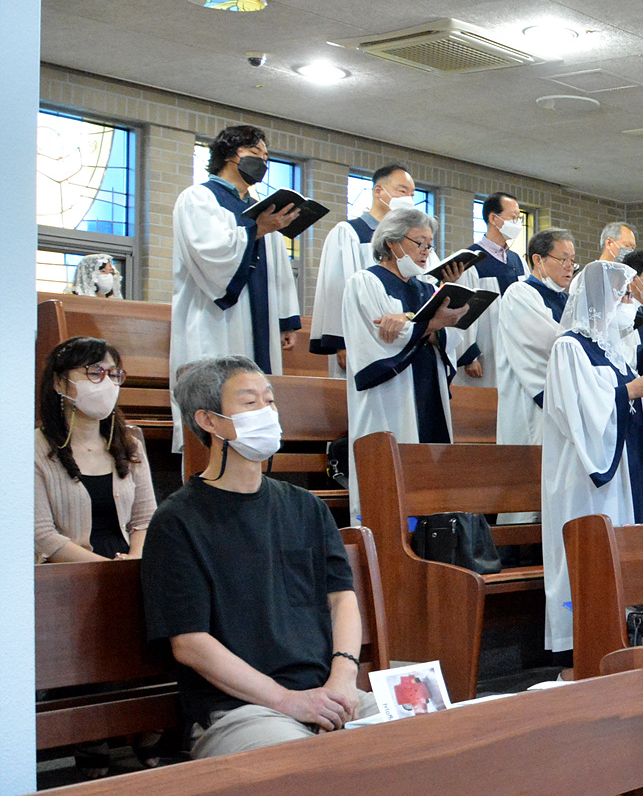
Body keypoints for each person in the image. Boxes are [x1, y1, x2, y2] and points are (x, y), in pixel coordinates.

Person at [145, 356, 375, 758]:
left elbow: (341, 599)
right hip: (241, 709)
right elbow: (190, 643)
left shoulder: (306, 507)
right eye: (250, 403)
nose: (267, 412)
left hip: (327, 692)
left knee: (428, 736)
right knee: (308, 765)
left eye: (270, 401)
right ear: (209, 421)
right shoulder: (177, 521)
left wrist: (342, 679)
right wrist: (289, 701)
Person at [540, 261, 643, 661]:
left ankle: (627, 639)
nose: (631, 304)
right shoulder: (569, 347)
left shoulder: (615, 352)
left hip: (626, 472)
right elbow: (578, 411)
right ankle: (580, 646)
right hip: (588, 475)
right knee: (592, 557)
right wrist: (629, 391)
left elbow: (632, 408)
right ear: (601, 300)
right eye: (624, 295)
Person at [167, 124, 303, 450]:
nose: (262, 162)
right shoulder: (199, 198)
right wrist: (257, 229)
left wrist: (284, 320)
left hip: (259, 322)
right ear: (229, 155)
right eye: (255, 153)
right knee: (214, 399)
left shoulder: (262, 209)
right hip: (213, 318)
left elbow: (278, 268)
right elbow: (210, 254)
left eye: (266, 157)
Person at [341, 207, 465, 519]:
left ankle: (429, 536)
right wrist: (429, 325)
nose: (426, 252)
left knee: (429, 487)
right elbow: (380, 337)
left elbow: (449, 337)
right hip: (388, 397)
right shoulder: (366, 282)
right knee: (388, 485)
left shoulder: (427, 289)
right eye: (419, 243)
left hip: (428, 389)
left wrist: (423, 324)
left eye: (430, 245)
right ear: (392, 242)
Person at [35, 337, 155, 562]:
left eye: (113, 374)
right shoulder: (35, 448)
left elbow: (145, 521)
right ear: (59, 382)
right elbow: (42, 536)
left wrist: (133, 559)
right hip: (66, 575)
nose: (107, 383)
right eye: (94, 372)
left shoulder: (130, 446)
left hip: (126, 568)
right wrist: (108, 570)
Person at [311, 163, 414, 377]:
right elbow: (336, 288)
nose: (408, 199)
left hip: (401, 337)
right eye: (402, 191)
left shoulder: (409, 239)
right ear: (378, 191)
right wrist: (341, 343)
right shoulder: (350, 233)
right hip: (360, 338)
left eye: (412, 194)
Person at [491, 228, 576, 447]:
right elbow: (547, 342)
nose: (569, 266)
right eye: (563, 259)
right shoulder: (520, 294)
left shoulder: (569, 301)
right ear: (538, 259)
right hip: (530, 402)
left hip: (567, 400)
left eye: (573, 260)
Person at [444, 195, 530, 389]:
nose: (517, 223)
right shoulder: (470, 261)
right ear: (493, 218)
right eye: (513, 217)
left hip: (516, 348)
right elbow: (462, 309)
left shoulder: (518, 261)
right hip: (485, 349)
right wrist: (469, 355)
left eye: (519, 218)